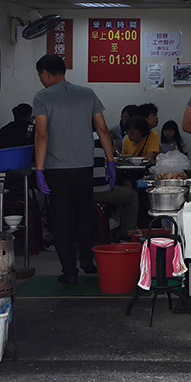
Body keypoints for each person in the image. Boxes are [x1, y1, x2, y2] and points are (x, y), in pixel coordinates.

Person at [32, 54, 114, 286]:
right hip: (85, 168)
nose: (41, 80)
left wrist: (39, 169)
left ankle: (69, 271)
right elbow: (103, 129)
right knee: (84, 215)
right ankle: (87, 261)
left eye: (40, 75)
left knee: (61, 220)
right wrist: (109, 161)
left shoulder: (42, 97)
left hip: (57, 170)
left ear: (45, 73)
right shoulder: (87, 93)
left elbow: (41, 134)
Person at [92, 142, 139, 240]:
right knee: (131, 195)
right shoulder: (98, 143)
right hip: (99, 190)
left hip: (76, 191)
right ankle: (127, 234)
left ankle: (113, 220)